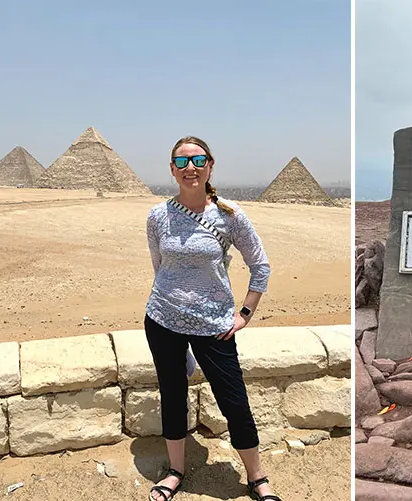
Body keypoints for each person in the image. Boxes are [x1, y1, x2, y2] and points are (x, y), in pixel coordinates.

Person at [144, 136, 279, 501]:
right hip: (162, 319)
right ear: (172, 169)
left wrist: (245, 314)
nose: (191, 168)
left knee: (234, 400)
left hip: (215, 326)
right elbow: (160, 267)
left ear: (210, 165)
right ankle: (175, 471)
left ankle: (257, 477)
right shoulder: (158, 216)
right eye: (182, 162)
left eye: (198, 160)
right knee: (172, 396)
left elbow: (260, 266)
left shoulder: (231, 216)